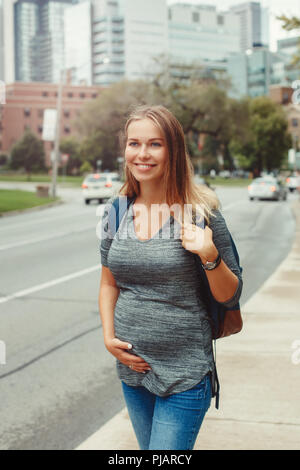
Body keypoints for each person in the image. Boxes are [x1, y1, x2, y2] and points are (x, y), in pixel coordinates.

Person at [98, 105, 243, 450]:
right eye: (134, 143)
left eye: (155, 144)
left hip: (186, 373)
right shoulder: (115, 211)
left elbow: (230, 295)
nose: (142, 154)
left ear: (173, 150)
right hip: (133, 371)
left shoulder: (201, 213)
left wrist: (209, 255)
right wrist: (108, 338)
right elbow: (108, 282)